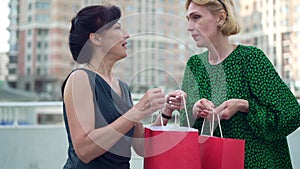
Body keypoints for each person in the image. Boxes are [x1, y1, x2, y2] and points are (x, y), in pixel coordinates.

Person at [61, 5, 186, 169]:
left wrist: (166, 112)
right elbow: (84, 150)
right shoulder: (80, 78)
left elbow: (142, 147)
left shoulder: (122, 87)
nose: (126, 35)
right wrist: (136, 112)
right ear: (96, 38)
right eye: (118, 28)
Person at [181, 0, 300, 168]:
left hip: (258, 163)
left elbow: (291, 114)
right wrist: (195, 110)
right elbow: (185, 126)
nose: (190, 26)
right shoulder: (195, 65)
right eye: (188, 19)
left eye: (196, 17)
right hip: (214, 162)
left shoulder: (250, 58)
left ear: (221, 18)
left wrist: (245, 106)